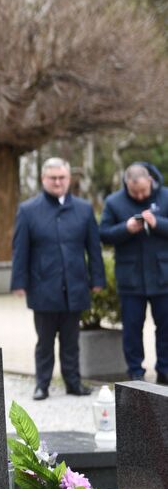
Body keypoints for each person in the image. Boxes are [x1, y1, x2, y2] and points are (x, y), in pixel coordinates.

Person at [11, 158, 105, 400]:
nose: (57, 182)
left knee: (71, 341)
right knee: (44, 342)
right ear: (43, 179)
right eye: (52, 178)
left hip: (75, 285)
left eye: (62, 177)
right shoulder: (28, 210)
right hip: (43, 287)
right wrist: (19, 283)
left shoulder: (84, 209)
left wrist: (97, 279)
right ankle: (42, 385)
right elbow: (20, 249)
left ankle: (73, 383)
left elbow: (93, 248)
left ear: (69, 179)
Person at [100, 162, 168, 384]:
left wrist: (157, 223)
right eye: (134, 192)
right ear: (126, 184)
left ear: (150, 181)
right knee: (131, 329)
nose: (139, 196)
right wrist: (126, 228)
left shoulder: (166, 196)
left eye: (143, 191)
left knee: (166, 327)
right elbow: (103, 234)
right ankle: (135, 372)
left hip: (163, 276)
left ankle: (165, 370)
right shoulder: (114, 202)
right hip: (130, 278)